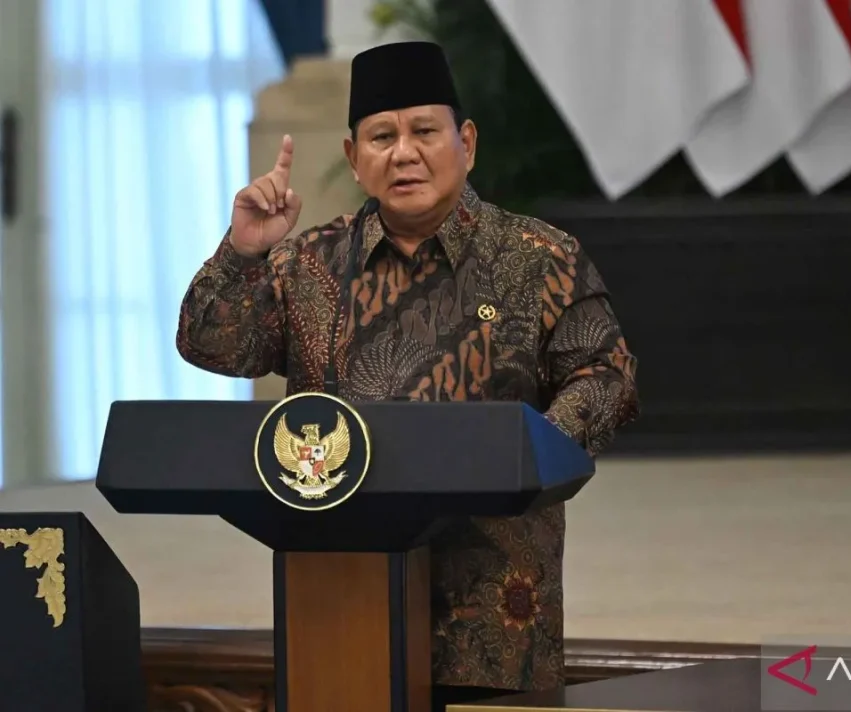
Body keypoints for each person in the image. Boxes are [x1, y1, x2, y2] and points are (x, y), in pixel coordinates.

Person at [176, 41, 639, 710]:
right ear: (353, 157)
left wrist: (530, 452)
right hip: (341, 597)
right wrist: (243, 252)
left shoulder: (538, 257)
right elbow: (211, 346)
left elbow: (607, 375)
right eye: (382, 137)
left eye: (424, 131)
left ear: (466, 143)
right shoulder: (308, 264)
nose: (404, 153)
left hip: (492, 610)